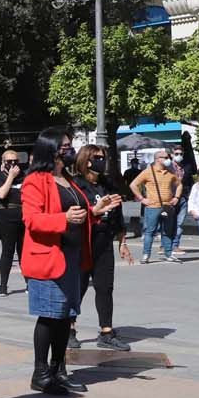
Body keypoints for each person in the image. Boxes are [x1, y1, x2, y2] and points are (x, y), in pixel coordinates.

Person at [21, 128, 96, 396]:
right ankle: (40, 373)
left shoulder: (67, 179)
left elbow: (77, 212)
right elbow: (32, 220)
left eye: (69, 145)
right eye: (64, 146)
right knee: (50, 316)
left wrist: (94, 212)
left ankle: (58, 369)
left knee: (66, 316)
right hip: (49, 258)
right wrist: (63, 219)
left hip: (72, 257)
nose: (69, 149)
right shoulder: (35, 181)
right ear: (50, 149)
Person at [72, 145, 129, 352]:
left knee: (105, 287)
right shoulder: (75, 185)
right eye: (97, 157)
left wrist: (122, 241)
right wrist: (94, 211)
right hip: (82, 242)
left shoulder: (107, 184)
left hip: (104, 241)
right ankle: (69, 329)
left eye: (103, 157)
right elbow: (73, 216)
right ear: (86, 160)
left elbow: (118, 214)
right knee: (77, 288)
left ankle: (106, 331)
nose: (101, 161)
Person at [129, 148, 181, 263]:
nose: (168, 160)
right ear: (158, 159)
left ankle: (168, 253)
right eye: (166, 158)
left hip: (167, 206)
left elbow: (179, 184)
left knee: (167, 231)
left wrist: (176, 197)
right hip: (152, 207)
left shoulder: (170, 172)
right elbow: (133, 185)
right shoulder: (148, 172)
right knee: (150, 231)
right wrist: (142, 199)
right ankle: (146, 255)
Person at [0, 149, 25, 296]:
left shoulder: (23, 177)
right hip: (7, 218)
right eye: (9, 161)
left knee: (24, 252)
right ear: (3, 163)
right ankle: (3, 285)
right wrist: (11, 177)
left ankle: (29, 283)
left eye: (15, 161)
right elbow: (1, 193)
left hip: (23, 218)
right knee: (8, 252)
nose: (13, 164)